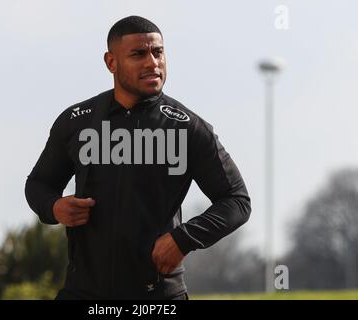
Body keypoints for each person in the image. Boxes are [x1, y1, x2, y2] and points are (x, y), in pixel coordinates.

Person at [25, 15, 251, 300]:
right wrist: (54, 207)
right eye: (138, 54)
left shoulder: (188, 128)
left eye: (158, 52)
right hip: (83, 292)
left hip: (158, 296)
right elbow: (38, 183)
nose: (152, 63)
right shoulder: (77, 121)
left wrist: (183, 239)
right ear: (111, 62)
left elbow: (237, 200)